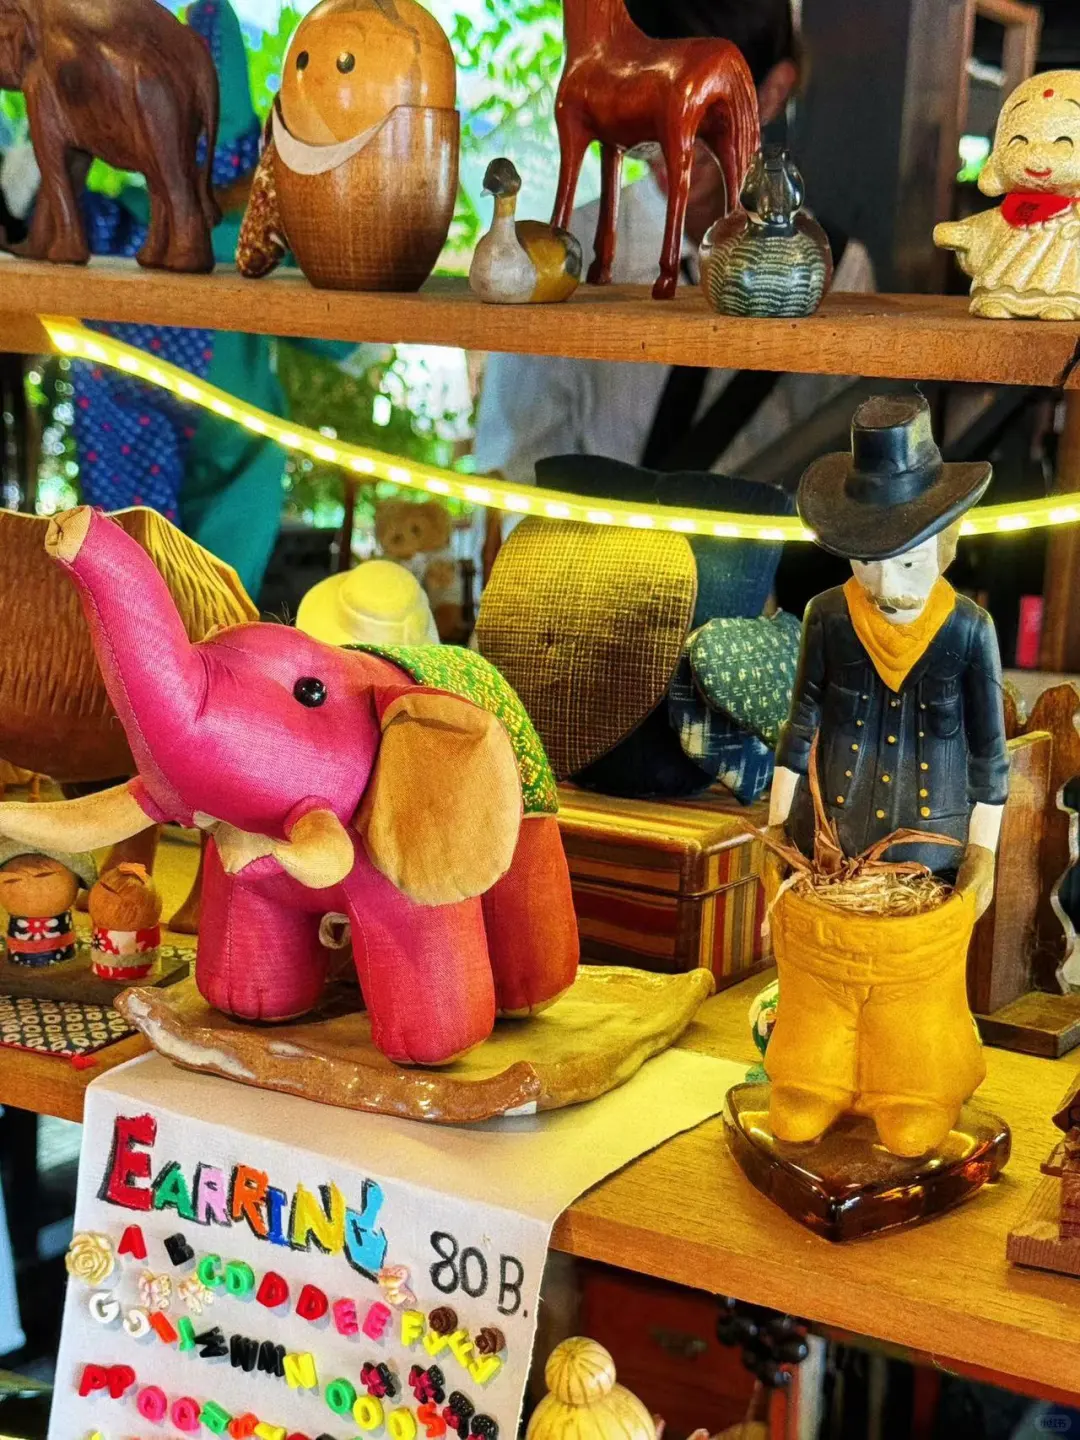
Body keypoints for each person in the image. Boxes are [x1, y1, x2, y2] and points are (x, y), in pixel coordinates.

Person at [471, 0, 875, 578]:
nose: (662, 129)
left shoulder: (833, 268)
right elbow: (516, 464)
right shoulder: (563, 255)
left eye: (699, 98)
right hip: (591, 585)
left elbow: (844, 489)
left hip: (753, 599)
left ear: (771, 93)